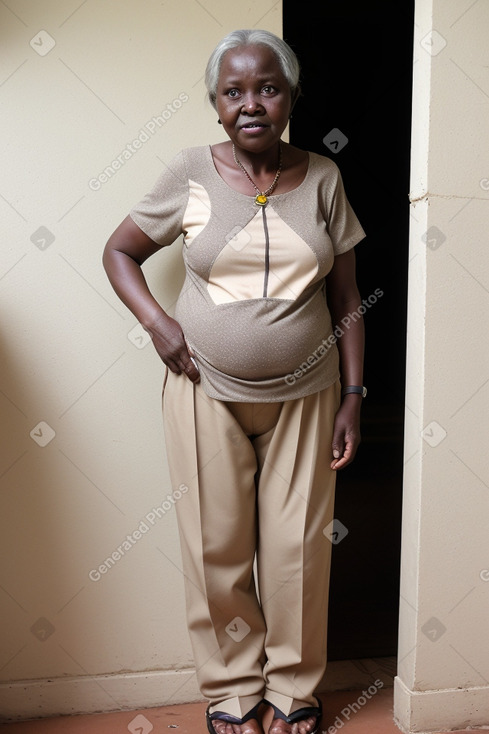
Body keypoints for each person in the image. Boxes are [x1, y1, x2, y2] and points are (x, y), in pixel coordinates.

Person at [103, 28, 366, 734]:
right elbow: (120, 252)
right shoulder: (187, 171)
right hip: (203, 391)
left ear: (290, 98)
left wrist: (351, 395)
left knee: (297, 551)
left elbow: (346, 299)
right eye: (234, 91)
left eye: (267, 87)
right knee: (214, 546)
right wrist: (159, 325)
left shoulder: (322, 177)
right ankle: (231, 693)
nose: (251, 103)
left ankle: (292, 692)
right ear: (217, 106)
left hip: (307, 399)